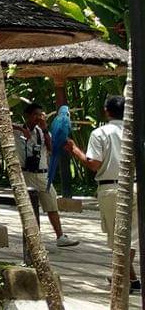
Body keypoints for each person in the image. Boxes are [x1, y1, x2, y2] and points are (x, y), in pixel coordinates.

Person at [66, 95, 140, 291]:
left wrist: (74, 149)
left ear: (106, 111)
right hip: (135, 186)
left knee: (117, 237)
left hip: (112, 189)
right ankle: (131, 279)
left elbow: (93, 164)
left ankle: (120, 277)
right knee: (130, 235)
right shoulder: (135, 132)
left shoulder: (100, 133)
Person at [15, 103, 79, 247]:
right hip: (26, 174)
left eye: (41, 115)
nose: (39, 117)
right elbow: (0, 125)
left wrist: (44, 130)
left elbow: (51, 148)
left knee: (51, 205)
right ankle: (33, 239)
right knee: (29, 209)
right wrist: (21, 129)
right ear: (28, 115)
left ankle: (60, 236)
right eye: (36, 114)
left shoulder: (42, 132)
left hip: (42, 174)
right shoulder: (17, 130)